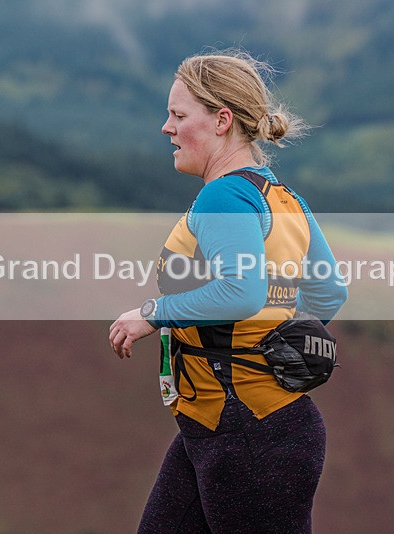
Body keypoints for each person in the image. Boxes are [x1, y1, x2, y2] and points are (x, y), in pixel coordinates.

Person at [109, 49, 347, 533]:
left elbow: (241, 292)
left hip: (247, 434)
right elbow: (328, 294)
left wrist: (152, 313)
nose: (167, 128)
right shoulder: (282, 198)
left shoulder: (222, 195)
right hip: (229, 425)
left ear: (221, 120)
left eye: (178, 115)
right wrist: (265, 345)